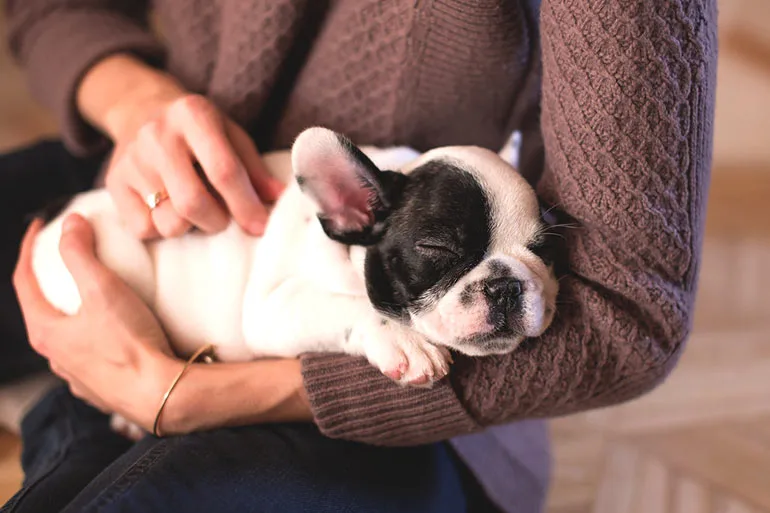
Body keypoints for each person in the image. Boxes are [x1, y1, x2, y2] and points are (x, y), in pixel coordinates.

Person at [0, 0, 718, 512]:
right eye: (447, 257)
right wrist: (139, 104)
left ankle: (67, 425)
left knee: (145, 496)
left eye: (535, 253)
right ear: (347, 209)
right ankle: (74, 422)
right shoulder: (364, 206)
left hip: (404, 416)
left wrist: (182, 397)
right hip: (152, 196)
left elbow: (629, 314)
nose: (503, 286)